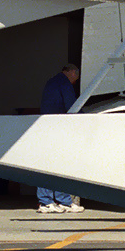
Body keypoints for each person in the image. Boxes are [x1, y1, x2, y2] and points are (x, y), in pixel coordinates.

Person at [37, 63, 84, 214]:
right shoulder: (64, 83)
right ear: (72, 73)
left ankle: (62, 201)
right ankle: (47, 201)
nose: (76, 81)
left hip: (47, 125)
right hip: (58, 127)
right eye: (76, 76)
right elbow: (72, 107)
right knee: (56, 164)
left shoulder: (52, 82)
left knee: (53, 163)